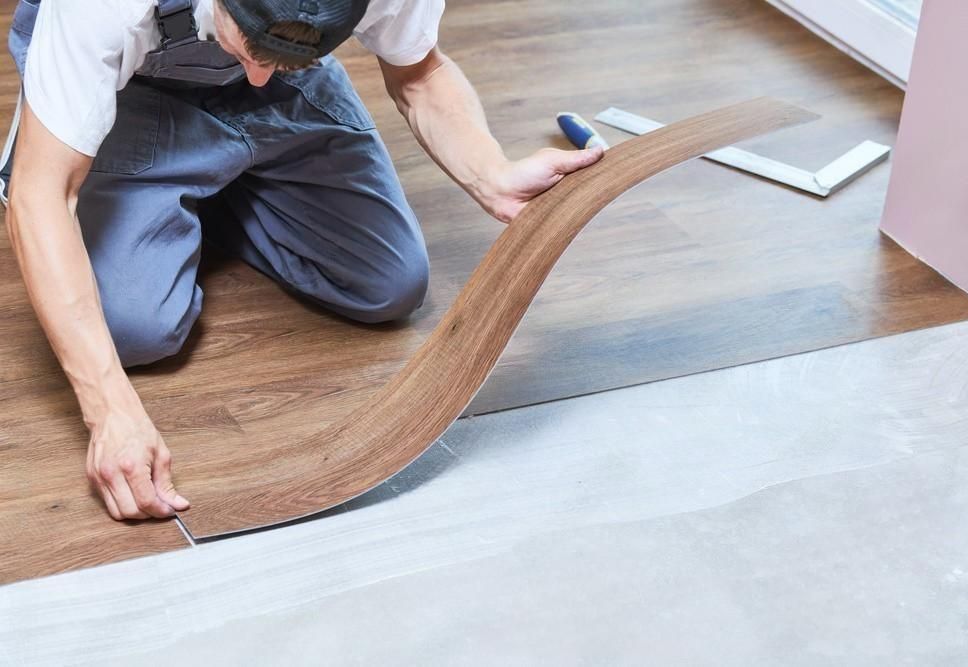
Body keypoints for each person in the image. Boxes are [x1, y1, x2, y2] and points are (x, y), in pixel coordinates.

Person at [1, 0, 603, 522]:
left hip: (294, 97)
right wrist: (110, 414)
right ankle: (182, 177)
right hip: (136, 92)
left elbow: (421, 73)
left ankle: (210, 182)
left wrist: (491, 174)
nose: (259, 76)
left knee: (389, 285)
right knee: (131, 329)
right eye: (250, 45)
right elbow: (41, 194)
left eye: (280, 56)